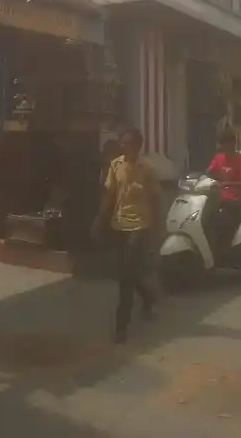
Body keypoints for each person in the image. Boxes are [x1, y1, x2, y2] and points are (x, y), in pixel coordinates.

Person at [92, 128, 160, 344]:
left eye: (126, 143)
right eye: (122, 143)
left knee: (125, 278)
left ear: (137, 146)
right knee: (128, 272)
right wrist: (99, 221)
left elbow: (156, 200)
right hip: (118, 224)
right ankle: (148, 296)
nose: (122, 146)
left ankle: (121, 326)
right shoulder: (116, 165)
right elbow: (109, 196)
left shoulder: (147, 170)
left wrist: (156, 230)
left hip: (139, 226)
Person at [206, 127, 241, 254]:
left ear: (234, 143)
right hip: (219, 198)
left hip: (236, 199)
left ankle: (227, 250)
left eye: (230, 143)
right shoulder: (218, 158)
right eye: (225, 143)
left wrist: (238, 181)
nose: (228, 146)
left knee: (223, 220)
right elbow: (209, 172)